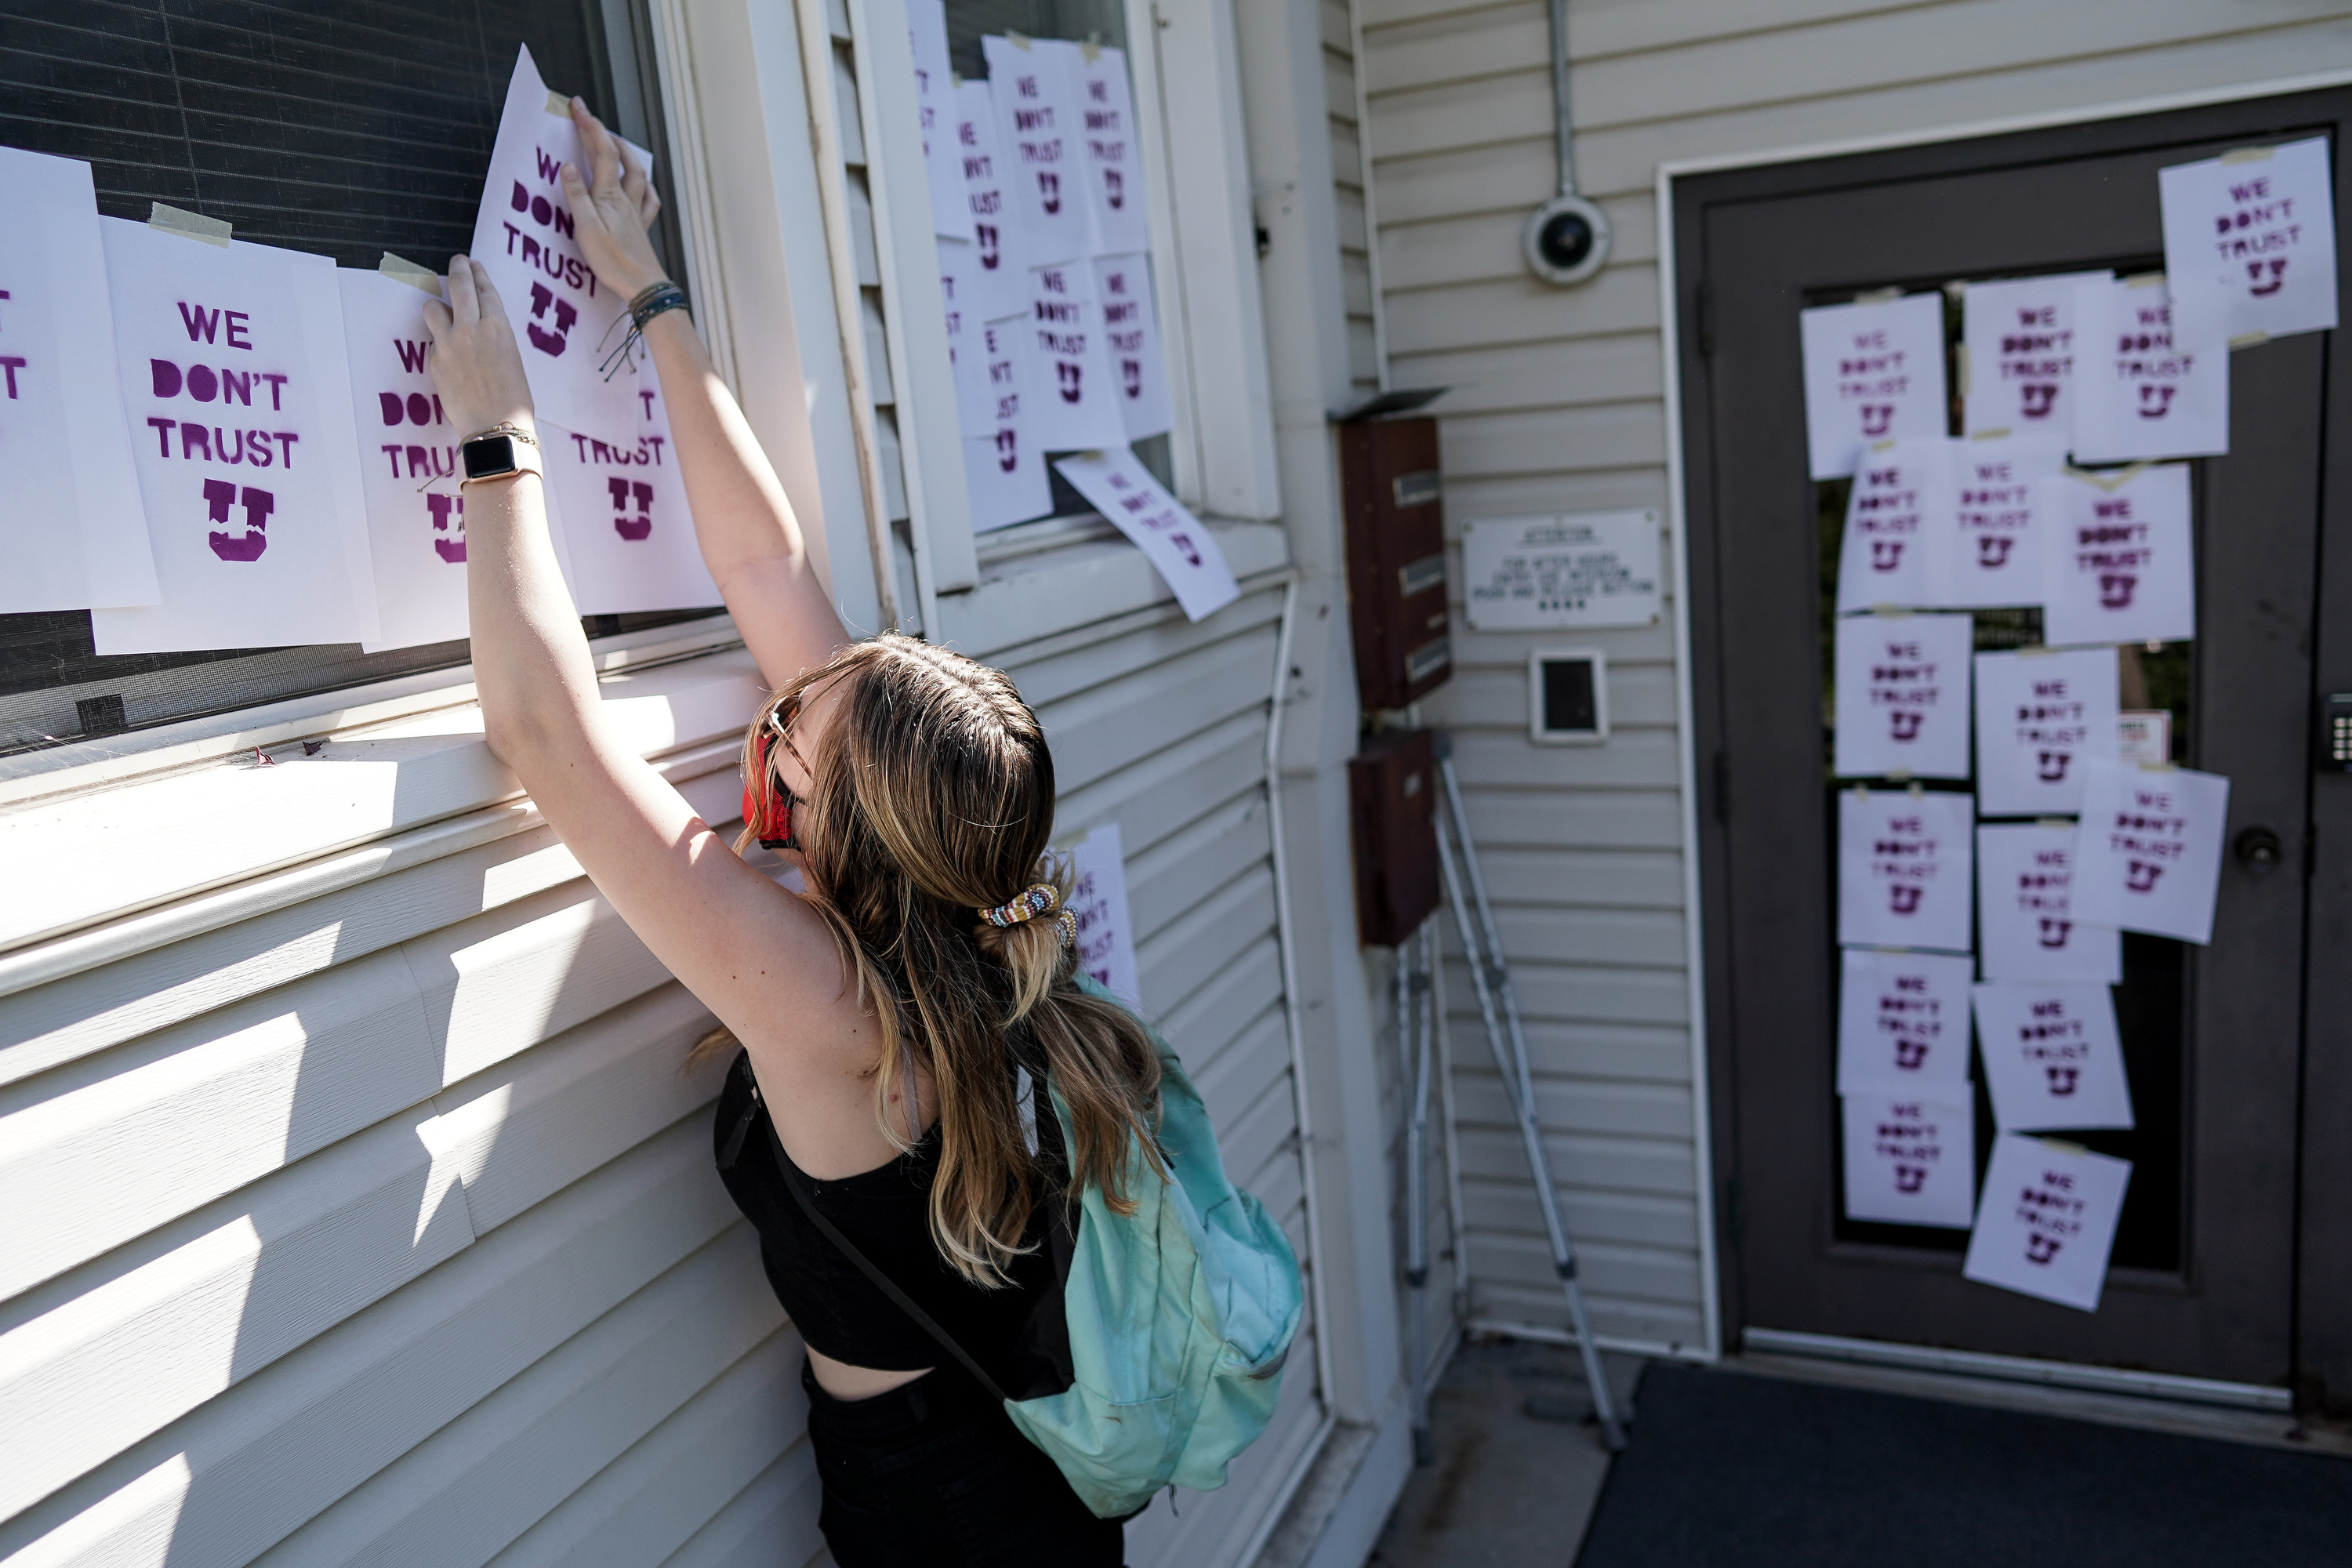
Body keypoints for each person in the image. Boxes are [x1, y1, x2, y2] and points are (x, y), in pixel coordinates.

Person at [423, 99, 1156, 1567]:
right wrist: (651, 294)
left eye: (782, 749)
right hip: (1019, 1471)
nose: (769, 728)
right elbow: (764, 561)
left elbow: (547, 739)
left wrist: (497, 444)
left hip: (949, 1515)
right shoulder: (961, 892)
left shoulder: (830, 1001)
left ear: (856, 827)